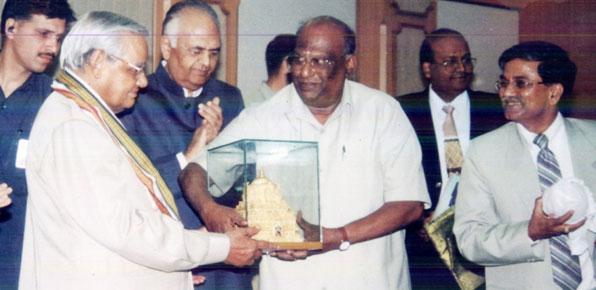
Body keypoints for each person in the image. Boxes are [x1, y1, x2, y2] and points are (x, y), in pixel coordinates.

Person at [19, 11, 267, 290]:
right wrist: (218, 247)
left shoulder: (84, 115)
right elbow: (127, 230)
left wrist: (177, 269)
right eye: (134, 69)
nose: (142, 81)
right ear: (98, 61)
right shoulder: (74, 127)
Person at [179, 15, 430, 290]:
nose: (304, 71)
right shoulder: (263, 118)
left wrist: (336, 236)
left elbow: (410, 204)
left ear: (349, 63)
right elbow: (194, 171)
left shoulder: (382, 113)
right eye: (298, 59)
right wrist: (210, 210)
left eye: (319, 61)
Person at [117, 1, 251, 288]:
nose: (206, 62)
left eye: (214, 53)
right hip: (165, 257)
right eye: (196, 51)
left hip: (225, 261)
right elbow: (130, 190)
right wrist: (191, 152)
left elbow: (244, 182)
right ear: (167, 47)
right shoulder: (135, 98)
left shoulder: (229, 98)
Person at [454, 41, 596, 289]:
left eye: (521, 83)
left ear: (554, 93)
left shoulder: (592, 139)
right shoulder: (483, 152)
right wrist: (529, 233)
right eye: (504, 83)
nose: (507, 93)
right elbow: (469, 239)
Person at [398, 28, 505, 288]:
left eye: (466, 59)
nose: (462, 68)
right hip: (425, 253)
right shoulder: (402, 111)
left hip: (484, 245)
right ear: (427, 69)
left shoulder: (496, 109)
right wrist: (416, 220)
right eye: (450, 62)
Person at [0, 0, 75, 288]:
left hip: (22, 265)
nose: (52, 48)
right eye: (43, 34)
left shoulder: (57, 103)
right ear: (11, 28)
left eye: (58, 38)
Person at [244, 34, 296, 107]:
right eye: (300, 62)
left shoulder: (298, 103)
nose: (305, 72)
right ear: (288, 65)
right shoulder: (251, 107)